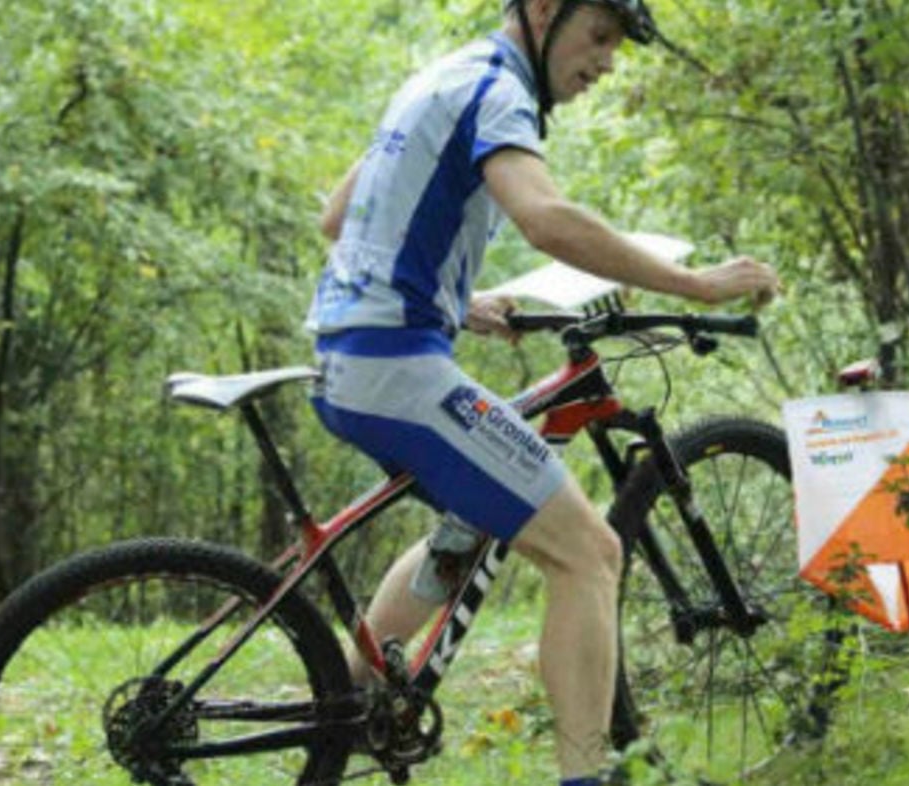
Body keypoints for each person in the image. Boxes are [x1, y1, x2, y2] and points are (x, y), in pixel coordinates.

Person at [306, 1, 779, 782]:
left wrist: (459, 302)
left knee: (466, 526)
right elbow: (547, 219)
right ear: (543, 12)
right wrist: (694, 283)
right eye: (598, 37)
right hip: (396, 368)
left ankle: (345, 715)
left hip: (359, 357)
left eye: (617, 48)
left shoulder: (441, 76)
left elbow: (338, 218)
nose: (606, 63)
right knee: (591, 553)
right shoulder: (499, 91)